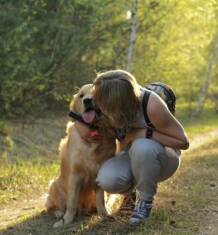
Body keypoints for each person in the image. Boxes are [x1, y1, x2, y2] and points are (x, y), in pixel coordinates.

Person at [75, 69, 189, 224]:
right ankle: (131, 193)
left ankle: (145, 202)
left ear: (115, 100)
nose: (94, 99)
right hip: (129, 156)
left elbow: (183, 142)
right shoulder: (105, 101)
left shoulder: (151, 105)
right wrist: (79, 123)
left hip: (163, 158)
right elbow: (78, 107)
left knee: (141, 146)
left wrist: (143, 133)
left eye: (98, 96)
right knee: (107, 180)